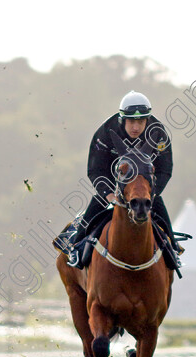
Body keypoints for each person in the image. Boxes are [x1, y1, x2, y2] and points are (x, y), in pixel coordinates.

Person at [66, 90, 181, 269]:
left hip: (144, 188)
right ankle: (75, 247)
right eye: (131, 121)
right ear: (122, 119)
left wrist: (150, 193)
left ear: (147, 120)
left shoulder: (158, 134)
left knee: (161, 211)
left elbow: (165, 170)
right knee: (93, 210)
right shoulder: (105, 132)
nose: (136, 127)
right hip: (113, 185)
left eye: (141, 122)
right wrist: (110, 196)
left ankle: (173, 249)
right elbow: (95, 170)